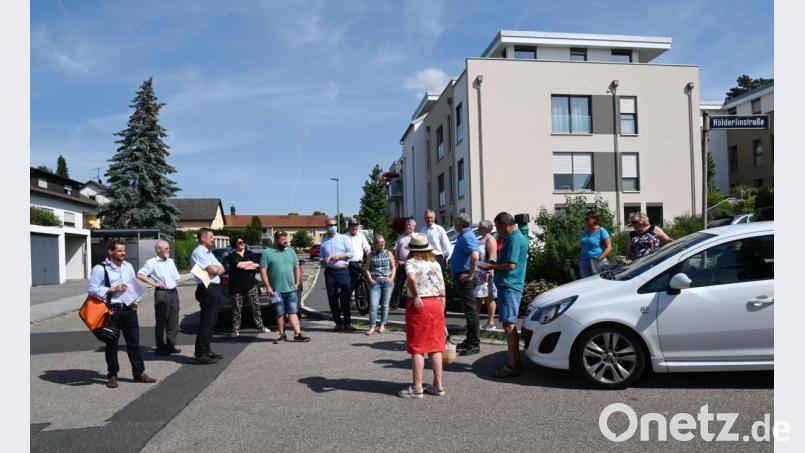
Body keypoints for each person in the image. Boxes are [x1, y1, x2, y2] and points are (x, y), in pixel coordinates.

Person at [89, 240, 157, 388]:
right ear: (110, 251)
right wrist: (112, 289)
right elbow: (92, 289)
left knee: (134, 343)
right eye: (119, 251)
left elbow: (134, 285)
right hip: (112, 311)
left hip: (129, 310)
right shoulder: (100, 269)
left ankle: (138, 373)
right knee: (112, 344)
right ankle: (112, 375)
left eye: (124, 250)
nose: (123, 253)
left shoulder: (128, 266)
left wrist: (137, 301)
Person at [479, 212, 529, 378]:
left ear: (506, 224)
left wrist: (491, 267)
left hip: (510, 286)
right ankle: (514, 361)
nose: (498, 231)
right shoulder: (514, 237)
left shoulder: (514, 239)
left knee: (509, 325)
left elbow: (511, 265)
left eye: (499, 227)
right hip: (509, 285)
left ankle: (512, 364)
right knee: (510, 324)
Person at [399, 233, 446, 398]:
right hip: (436, 304)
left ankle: (417, 388)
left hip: (419, 305)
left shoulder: (411, 263)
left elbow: (411, 279)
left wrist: (416, 295)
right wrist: (442, 311)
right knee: (436, 346)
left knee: (418, 347)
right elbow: (442, 291)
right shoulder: (435, 264)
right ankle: (438, 385)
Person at [260, 230, 311, 343]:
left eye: (286, 239)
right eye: (283, 239)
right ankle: (282, 335)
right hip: (276, 291)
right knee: (280, 313)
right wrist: (268, 286)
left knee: (293, 312)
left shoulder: (291, 252)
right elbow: (263, 271)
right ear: (276, 239)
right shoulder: (267, 253)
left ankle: (297, 334)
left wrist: (297, 282)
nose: (286, 241)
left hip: (291, 289)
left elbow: (297, 267)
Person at [136, 239, 182, 356]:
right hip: (162, 293)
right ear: (158, 250)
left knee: (173, 320)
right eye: (166, 248)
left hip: (173, 292)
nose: (169, 250)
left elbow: (176, 277)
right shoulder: (152, 262)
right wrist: (153, 283)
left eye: (168, 248)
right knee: (161, 321)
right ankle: (160, 347)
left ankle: (171, 345)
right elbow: (140, 274)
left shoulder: (170, 261)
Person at [223, 234, 271, 338]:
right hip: (236, 287)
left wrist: (246, 264)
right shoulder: (232, 256)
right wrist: (249, 264)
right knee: (237, 309)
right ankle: (235, 329)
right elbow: (238, 265)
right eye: (240, 243)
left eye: (243, 242)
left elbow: (257, 264)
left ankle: (261, 326)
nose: (242, 244)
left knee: (256, 307)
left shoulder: (250, 253)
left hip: (251, 285)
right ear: (235, 244)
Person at [191, 228, 226, 364]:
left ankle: (207, 350)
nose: (213, 239)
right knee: (206, 322)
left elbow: (221, 268)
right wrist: (216, 270)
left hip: (214, 287)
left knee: (212, 322)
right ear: (203, 238)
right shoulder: (199, 252)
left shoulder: (208, 253)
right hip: (207, 288)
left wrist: (216, 270)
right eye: (211, 237)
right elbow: (213, 269)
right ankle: (200, 354)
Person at [449, 213, 481, 356]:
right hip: (463, 276)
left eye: (455, 222)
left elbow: (475, 256)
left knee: (470, 311)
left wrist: (470, 275)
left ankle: (474, 344)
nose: (454, 225)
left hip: (465, 277)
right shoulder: (465, 235)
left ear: (460, 223)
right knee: (468, 311)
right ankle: (470, 340)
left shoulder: (467, 236)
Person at [319, 218, 356, 331]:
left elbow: (351, 253)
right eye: (330, 225)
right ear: (326, 227)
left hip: (343, 271)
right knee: (332, 298)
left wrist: (339, 257)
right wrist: (323, 261)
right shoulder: (324, 240)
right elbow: (320, 257)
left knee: (346, 298)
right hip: (330, 272)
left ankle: (347, 323)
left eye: (335, 224)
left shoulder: (343, 238)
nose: (333, 226)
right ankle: (337, 323)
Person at [365, 234, 396, 335]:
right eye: (380, 242)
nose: (383, 244)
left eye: (384, 242)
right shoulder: (371, 255)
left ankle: (382, 325)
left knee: (385, 305)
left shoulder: (388, 253)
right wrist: (370, 279)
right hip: (375, 282)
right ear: (376, 244)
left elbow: (393, 267)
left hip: (387, 282)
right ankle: (372, 326)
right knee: (373, 305)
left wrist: (391, 278)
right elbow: (367, 269)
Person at [474, 220, 498, 330]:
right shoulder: (483, 239)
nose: (478, 229)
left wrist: (487, 272)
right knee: (478, 297)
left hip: (486, 273)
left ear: (485, 229)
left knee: (489, 297)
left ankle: (491, 321)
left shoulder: (490, 239)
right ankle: (475, 321)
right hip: (479, 272)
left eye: (480, 227)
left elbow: (492, 257)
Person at [391, 218, 416, 310]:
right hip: (402, 264)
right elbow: (395, 250)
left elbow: (418, 252)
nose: (408, 226)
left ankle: (414, 303)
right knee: (399, 284)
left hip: (413, 264)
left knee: (413, 284)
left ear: (414, 226)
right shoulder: (401, 237)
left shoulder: (416, 237)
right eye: (407, 225)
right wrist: (398, 260)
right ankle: (395, 304)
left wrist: (409, 261)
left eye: (410, 225)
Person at [579, 211, 612, 278]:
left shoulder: (602, 231)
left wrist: (601, 257)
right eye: (585, 219)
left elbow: (609, 247)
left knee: (598, 283)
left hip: (597, 261)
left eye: (588, 219)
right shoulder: (584, 232)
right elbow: (583, 246)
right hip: (584, 261)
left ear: (595, 219)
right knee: (586, 284)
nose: (586, 220)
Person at [420, 209, 451, 274]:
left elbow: (446, 244)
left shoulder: (439, 229)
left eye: (431, 217)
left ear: (434, 218)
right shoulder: (422, 230)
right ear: (424, 218)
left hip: (437, 257)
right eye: (427, 217)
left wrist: (446, 257)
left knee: (439, 279)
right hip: (426, 258)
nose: (429, 219)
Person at [346, 218, 371, 291]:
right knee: (349, 284)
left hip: (359, 263)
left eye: (355, 225)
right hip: (348, 263)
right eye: (352, 225)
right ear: (349, 226)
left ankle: (362, 297)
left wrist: (370, 258)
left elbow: (367, 248)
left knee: (361, 281)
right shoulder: (344, 237)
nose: (354, 227)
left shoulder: (361, 236)